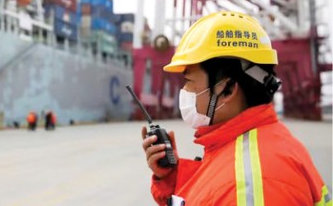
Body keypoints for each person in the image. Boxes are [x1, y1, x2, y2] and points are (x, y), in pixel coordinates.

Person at [141, 11, 331, 205]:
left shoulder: (254, 187)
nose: (185, 91)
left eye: (189, 81)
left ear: (228, 89)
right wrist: (170, 177)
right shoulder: (248, 146)